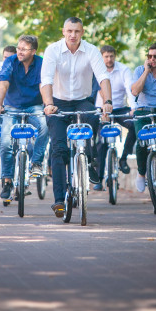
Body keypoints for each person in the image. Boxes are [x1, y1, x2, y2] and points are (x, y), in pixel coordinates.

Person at [41, 17, 113, 218]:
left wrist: (107, 101)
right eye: (69, 31)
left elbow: (103, 77)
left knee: (93, 117)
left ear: (82, 33)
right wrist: (48, 104)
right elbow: (45, 80)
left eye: (77, 31)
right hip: (57, 101)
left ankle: (88, 160)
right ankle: (58, 200)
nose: (73, 35)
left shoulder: (91, 50)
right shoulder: (52, 50)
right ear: (63, 31)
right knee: (59, 149)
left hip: (82, 100)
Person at [0, 36, 50, 201]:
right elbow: (3, 84)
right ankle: (7, 180)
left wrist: (47, 104)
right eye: (18, 48)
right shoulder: (10, 62)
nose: (19, 51)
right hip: (12, 107)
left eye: (24, 49)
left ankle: (36, 163)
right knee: (5, 141)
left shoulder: (41, 63)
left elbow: (43, 85)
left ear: (33, 51)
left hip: (35, 106)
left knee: (44, 127)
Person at [93, 45, 136, 190]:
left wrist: (133, 108)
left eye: (111, 56)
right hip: (102, 109)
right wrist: (104, 109)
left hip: (119, 109)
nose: (109, 59)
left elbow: (129, 88)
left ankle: (123, 159)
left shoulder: (123, 69)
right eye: (106, 56)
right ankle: (98, 178)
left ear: (115, 56)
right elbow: (98, 90)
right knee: (101, 141)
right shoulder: (96, 69)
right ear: (101, 57)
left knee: (134, 126)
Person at [131, 42, 156, 193]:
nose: (152, 59)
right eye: (149, 56)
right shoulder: (140, 70)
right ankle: (141, 174)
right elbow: (134, 91)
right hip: (143, 111)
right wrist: (146, 72)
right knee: (141, 143)